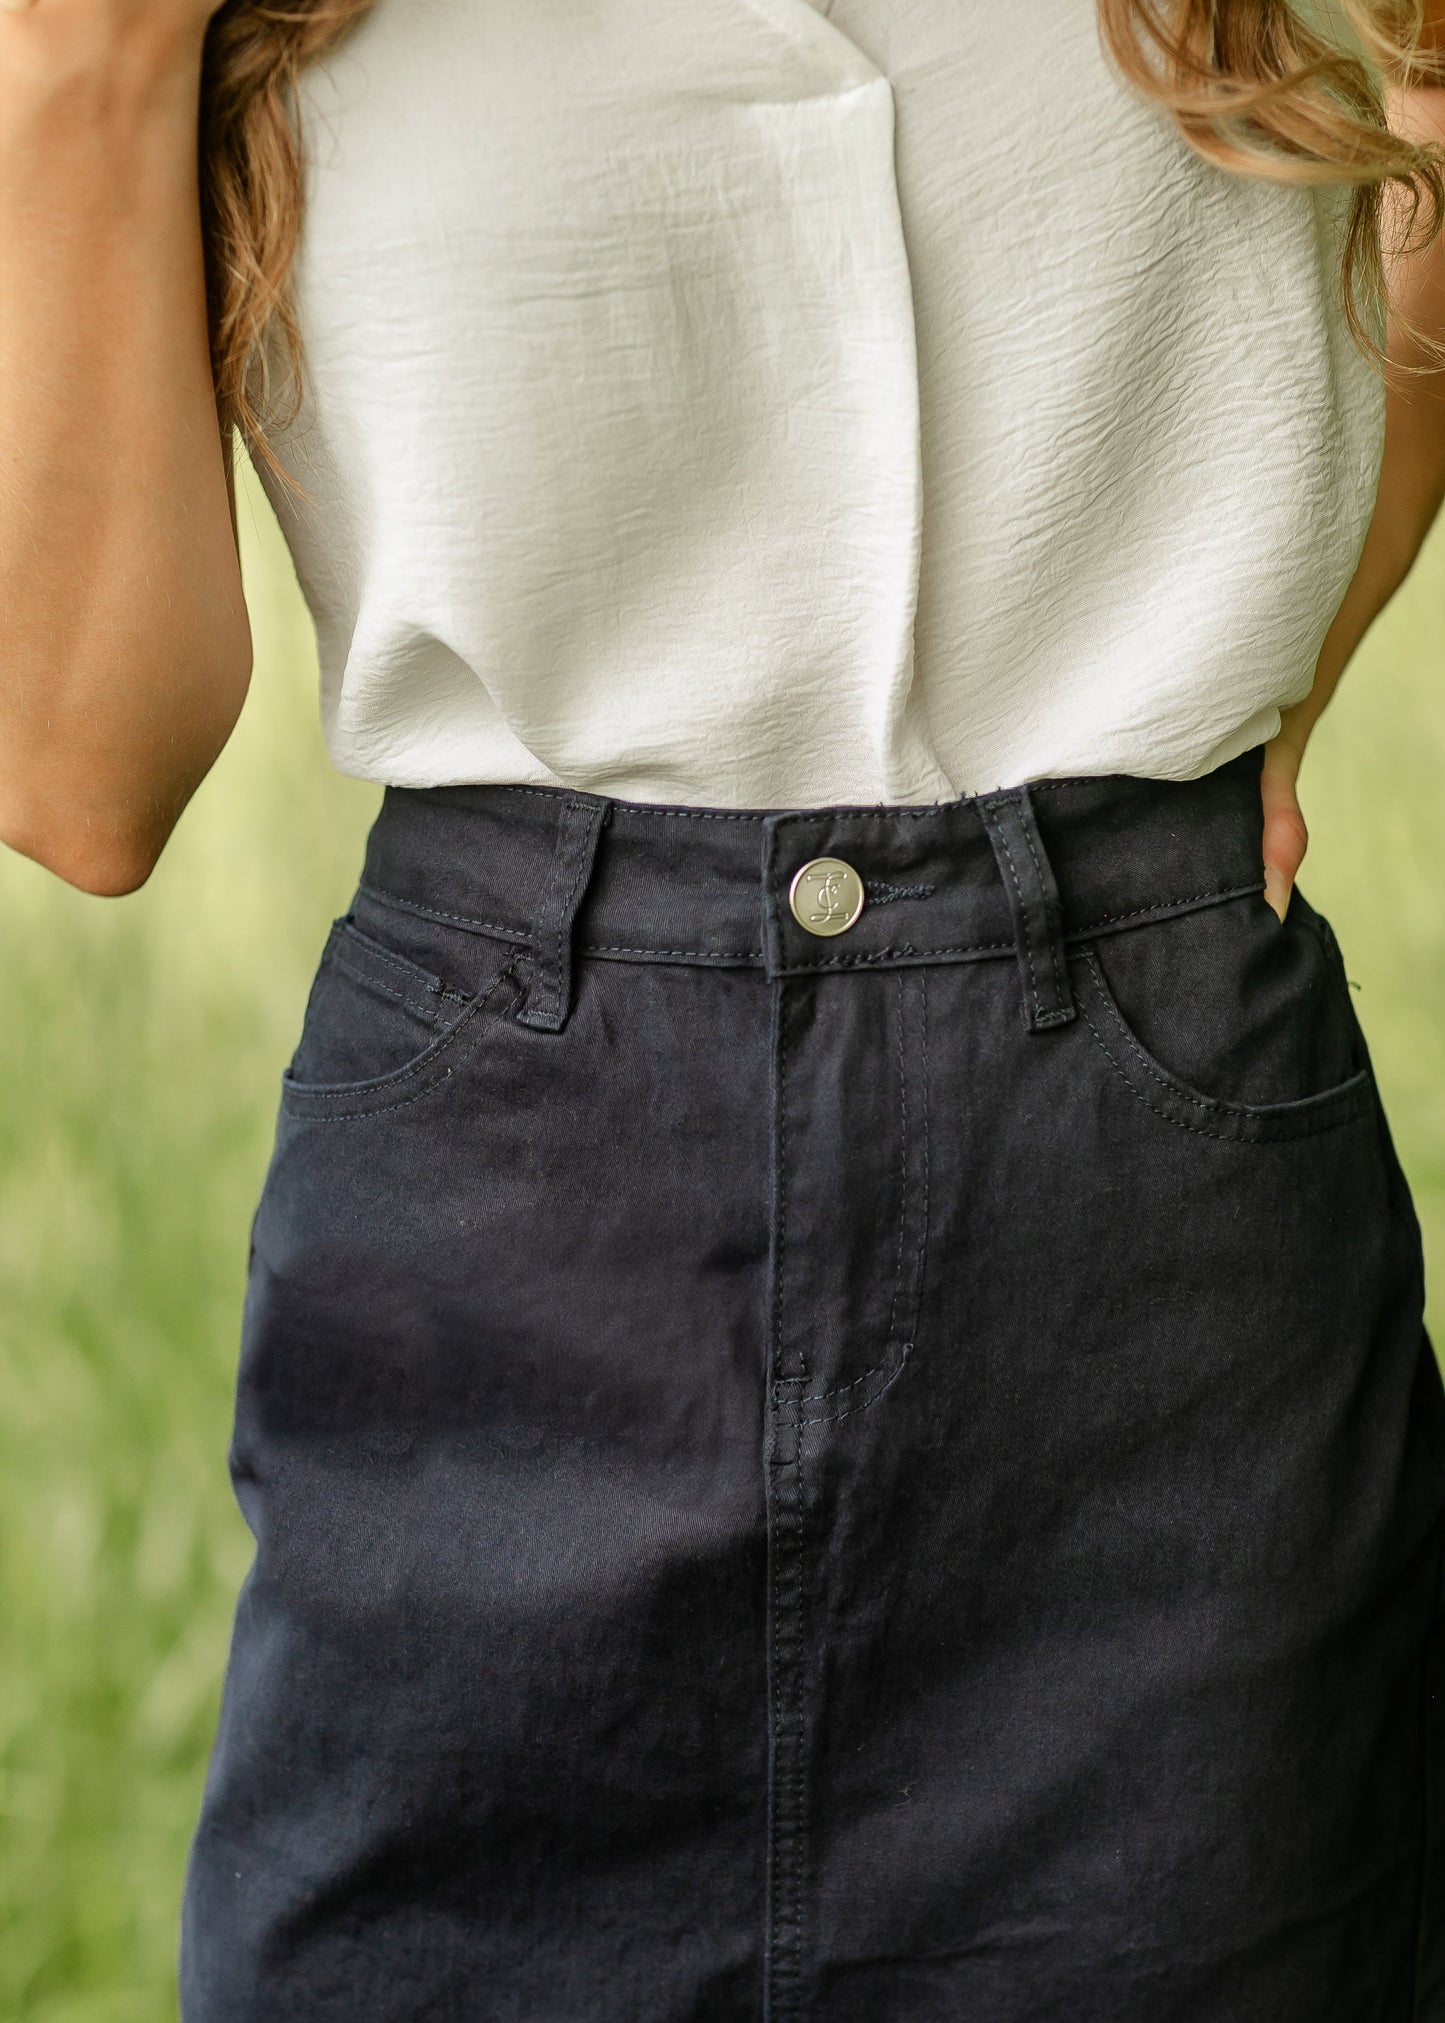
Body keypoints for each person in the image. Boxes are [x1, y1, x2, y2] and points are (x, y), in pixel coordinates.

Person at [3, 0, 1445, 2016]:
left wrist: (1271, 674)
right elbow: (84, 768)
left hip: (1162, 1284)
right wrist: (89, 63)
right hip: (498, 1252)